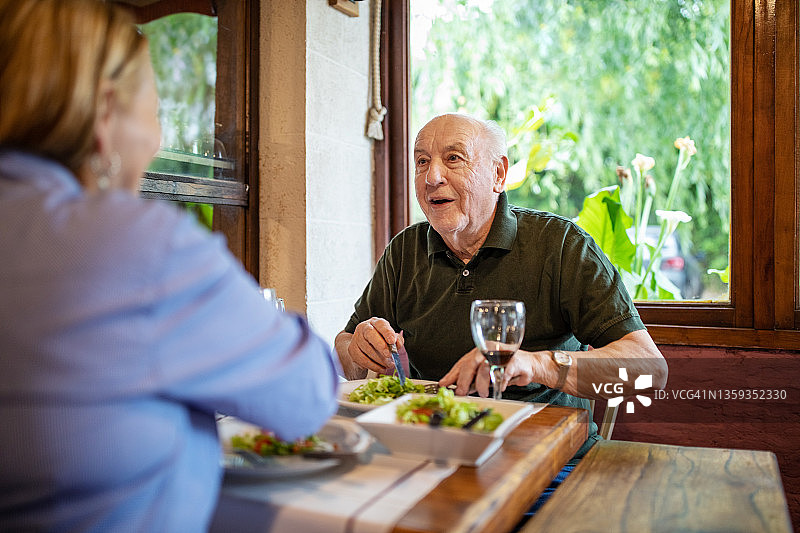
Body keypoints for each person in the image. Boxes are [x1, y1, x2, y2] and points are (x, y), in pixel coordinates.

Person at [0, 1, 339, 531]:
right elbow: (310, 391)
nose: (157, 141)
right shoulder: (133, 246)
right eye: (154, 113)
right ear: (104, 112)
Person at [335, 113, 667, 458]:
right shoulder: (405, 251)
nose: (432, 177)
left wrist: (536, 365)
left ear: (498, 174)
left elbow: (649, 368)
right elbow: (345, 350)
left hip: (545, 457)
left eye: (453, 158)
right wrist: (359, 350)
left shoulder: (561, 244)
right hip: (429, 446)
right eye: (422, 161)